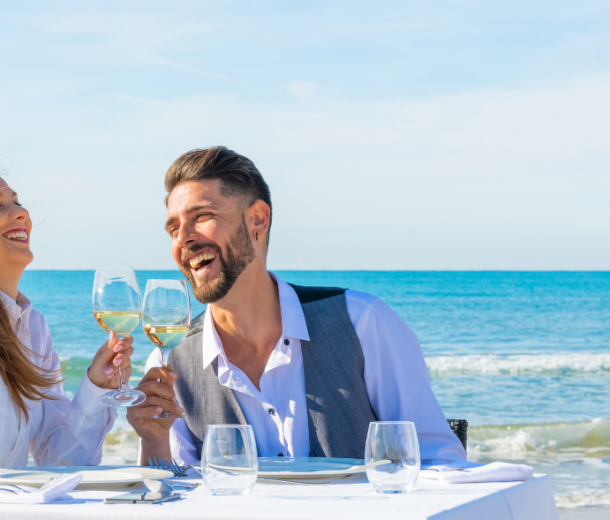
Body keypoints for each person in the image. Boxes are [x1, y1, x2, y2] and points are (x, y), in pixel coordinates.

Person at [128, 147, 467, 465]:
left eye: (201, 216)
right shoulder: (169, 361)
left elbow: (438, 460)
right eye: (173, 228)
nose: (182, 238)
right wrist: (153, 442)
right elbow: (170, 504)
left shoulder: (361, 322)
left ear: (258, 220)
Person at [0, 177, 134, 468]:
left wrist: (97, 387)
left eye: (17, 202)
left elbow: (60, 462)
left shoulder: (33, 328)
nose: (20, 213)